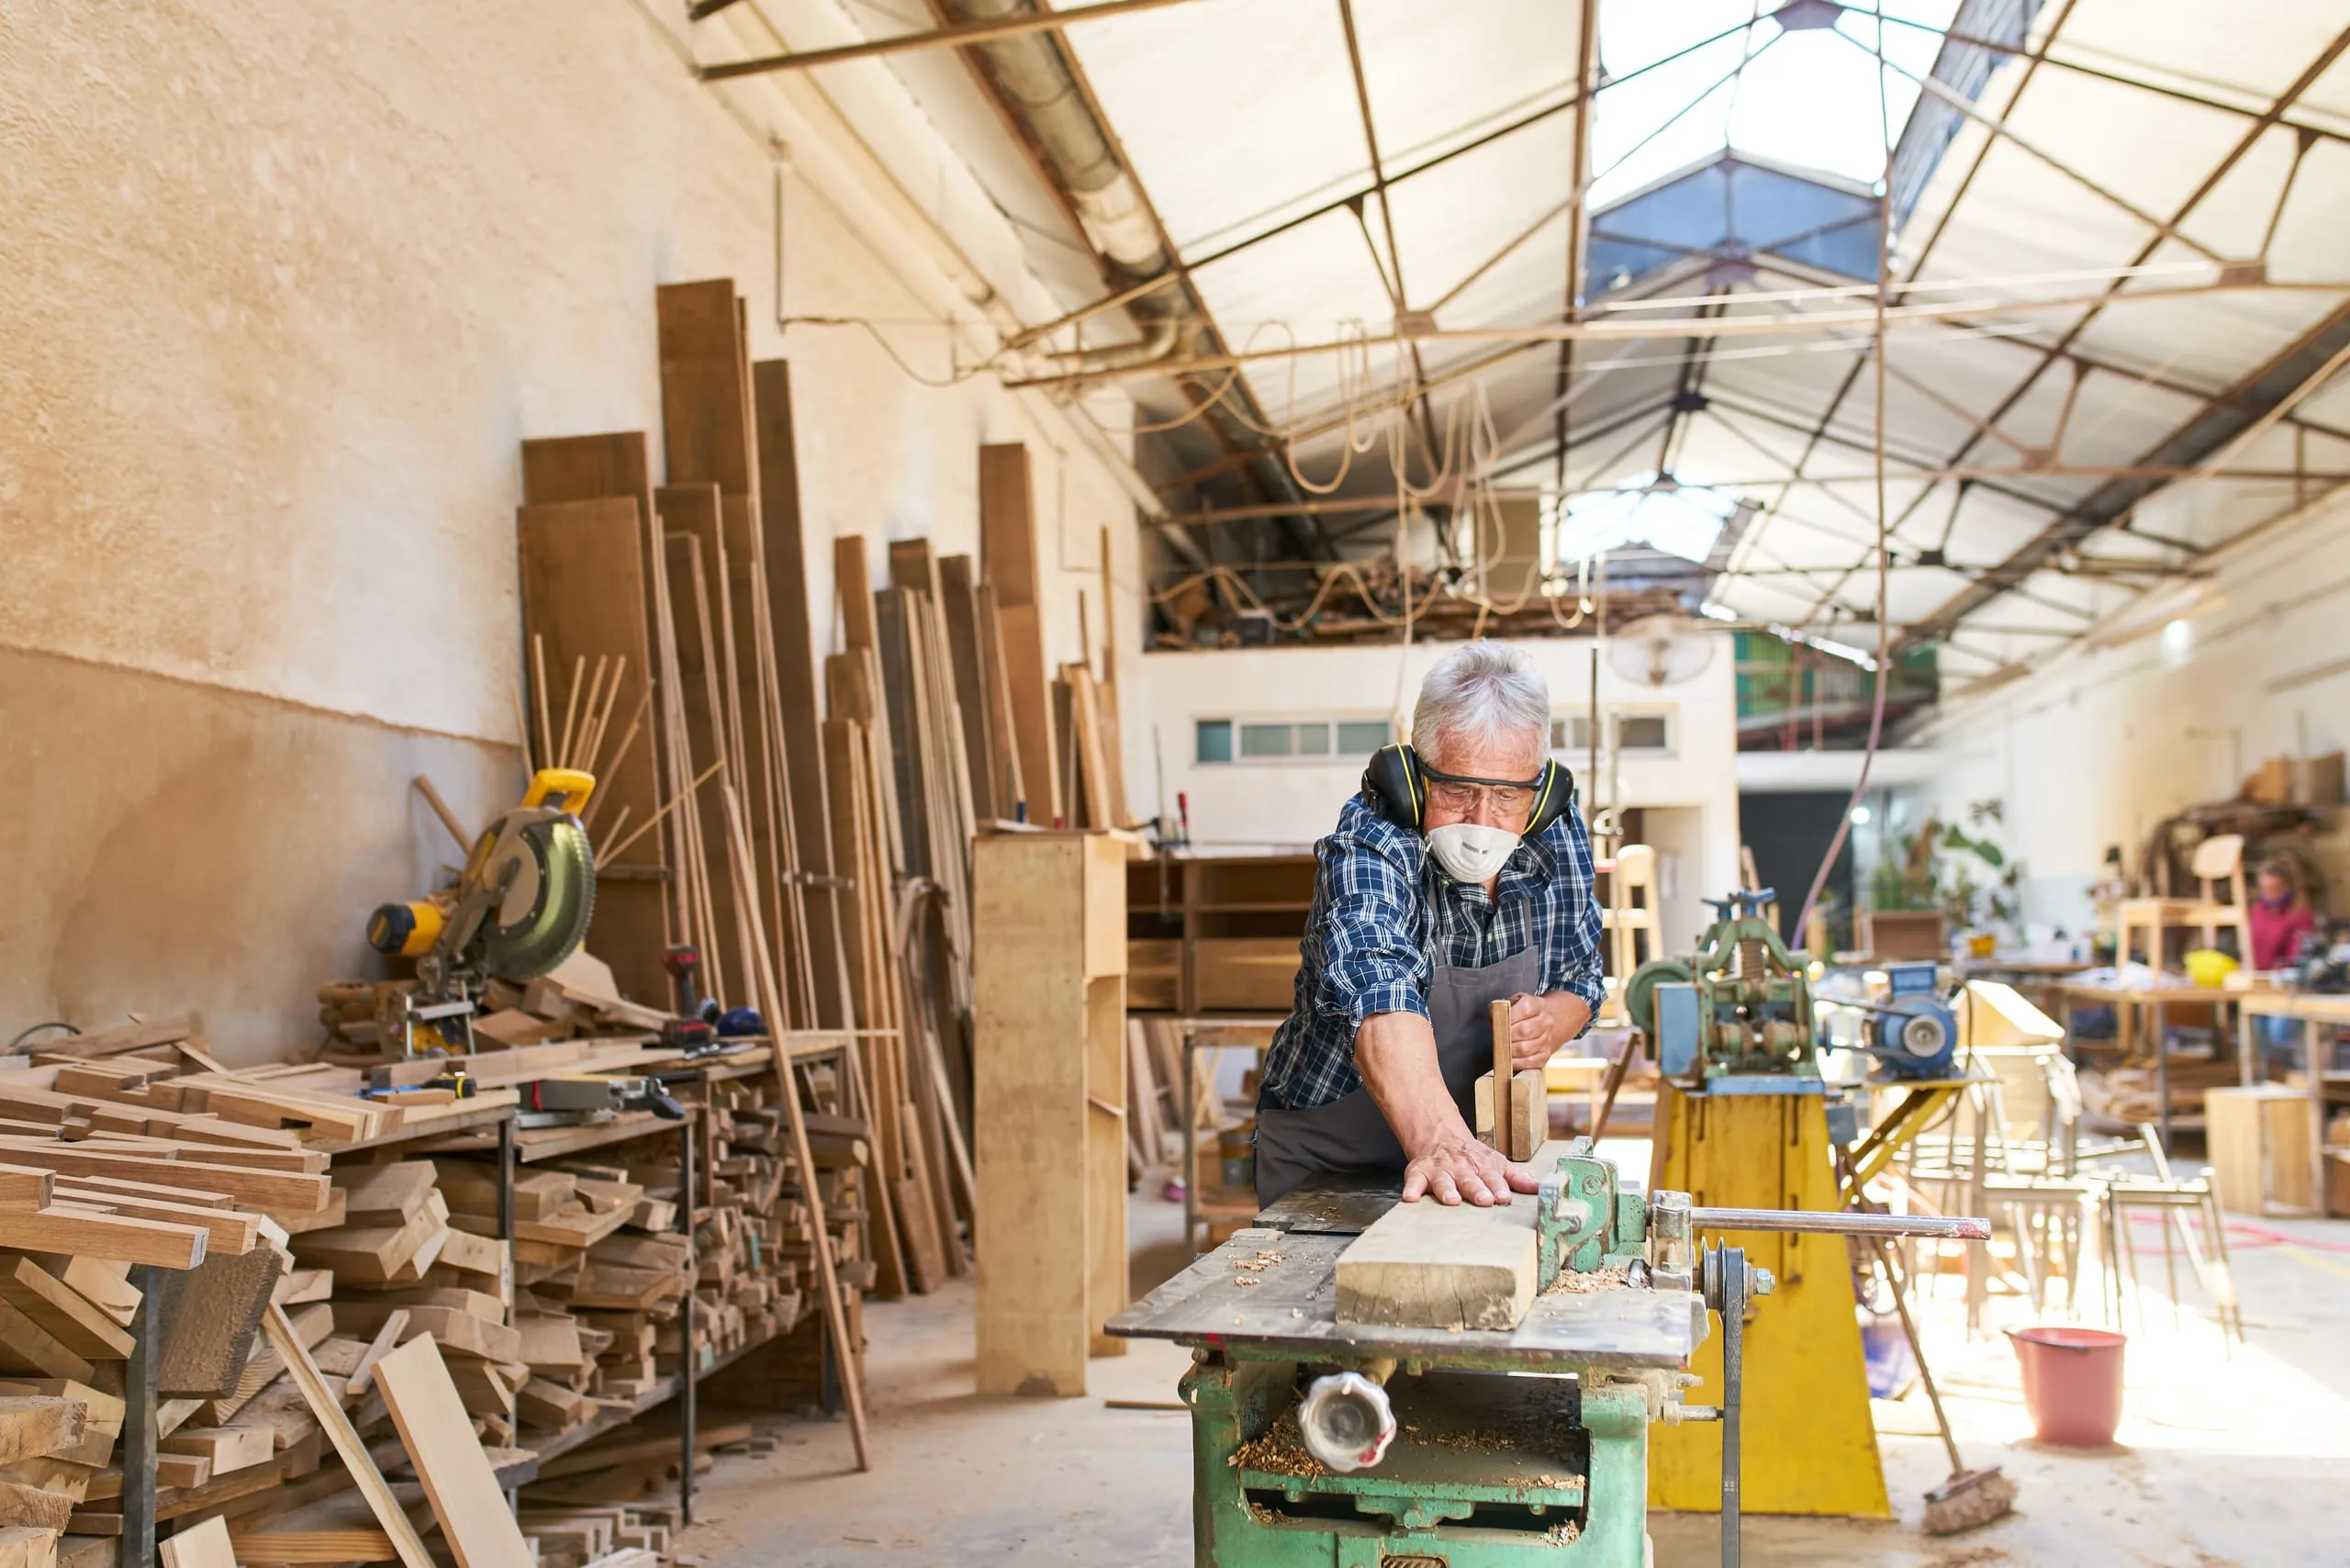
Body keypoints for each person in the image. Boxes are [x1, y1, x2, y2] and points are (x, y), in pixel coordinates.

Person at [1253, 642, 1604, 1209]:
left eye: (1508, 797)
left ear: (1539, 794)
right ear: (1413, 780)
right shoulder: (1372, 842)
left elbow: (1584, 976)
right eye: (1459, 790)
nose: (1482, 821)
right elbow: (1378, 989)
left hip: (1472, 1153)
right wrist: (1439, 1142)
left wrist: (1556, 1019)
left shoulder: (1554, 832)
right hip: (1330, 1164)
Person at [2247, 857, 2317, 972]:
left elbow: (2298, 957)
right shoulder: (2257, 911)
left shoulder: (2300, 915)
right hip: (2255, 975)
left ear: (2287, 887)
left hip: (2282, 978)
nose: (2268, 896)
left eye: (2274, 889)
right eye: (2264, 889)